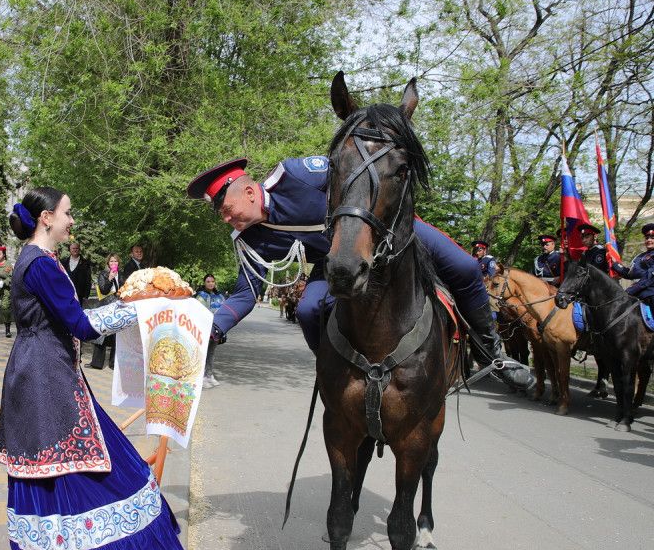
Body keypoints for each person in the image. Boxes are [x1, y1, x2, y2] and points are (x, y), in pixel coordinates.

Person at [185, 156, 535, 391]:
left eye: (229, 211)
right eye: (224, 217)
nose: (228, 220)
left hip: (386, 231)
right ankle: (335, 374)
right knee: (307, 310)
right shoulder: (250, 240)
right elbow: (246, 294)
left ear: (248, 192)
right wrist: (212, 329)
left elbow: (359, 170)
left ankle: (493, 353)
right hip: (335, 261)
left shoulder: (295, 175)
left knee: (464, 266)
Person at [0, 187, 187, 550]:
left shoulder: (36, 260)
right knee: (79, 463)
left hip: (40, 371)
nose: (71, 220)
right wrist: (137, 307)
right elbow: (80, 325)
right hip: (46, 377)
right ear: (46, 218)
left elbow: (69, 319)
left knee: (50, 465)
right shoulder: (41, 265)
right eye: (67, 213)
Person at [88, 253, 122, 369]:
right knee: (101, 333)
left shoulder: (121, 275)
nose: (113, 263)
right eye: (111, 261)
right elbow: (103, 290)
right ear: (108, 263)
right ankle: (97, 363)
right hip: (106, 306)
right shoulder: (103, 274)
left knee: (117, 336)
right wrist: (110, 278)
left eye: (115, 261)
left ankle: (113, 364)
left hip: (118, 307)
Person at [196, 274, 226, 388]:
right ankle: (202, 377)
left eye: (212, 281)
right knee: (203, 352)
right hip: (205, 328)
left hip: (217, 329)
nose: (210, 283)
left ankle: (209, 375)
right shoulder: (200, 296)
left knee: (211, 353)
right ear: (204, 283)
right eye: (208, 281)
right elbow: (201, 312)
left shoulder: (219, 296)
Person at [612, 223, 654, 305]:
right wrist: (615, 264)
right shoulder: (640, 256)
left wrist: (629, 291)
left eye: (652, 238)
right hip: (638, 293)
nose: (649, 240)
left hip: (650, 294)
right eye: (647, 238)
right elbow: (629, 273)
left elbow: (648, 278)